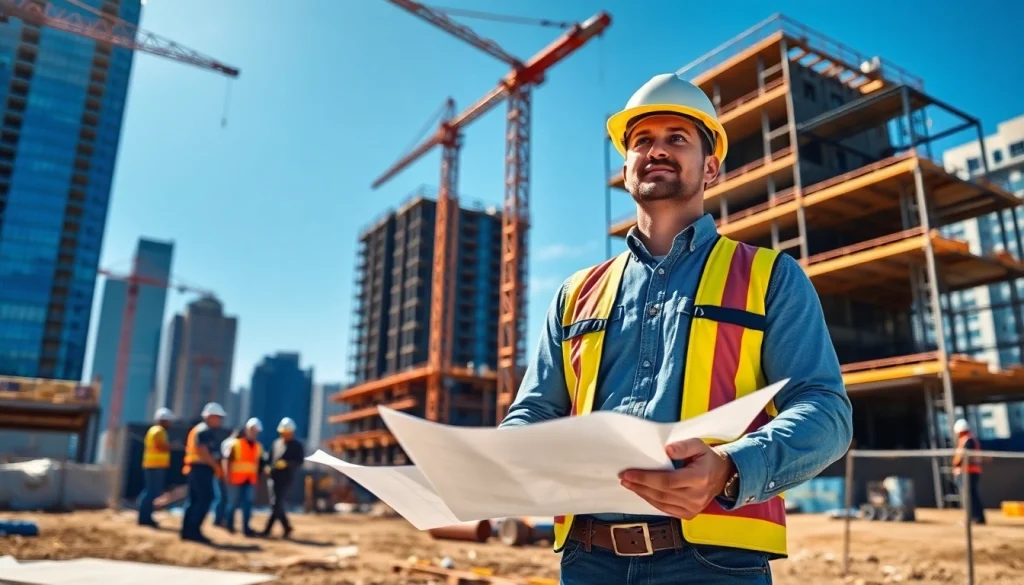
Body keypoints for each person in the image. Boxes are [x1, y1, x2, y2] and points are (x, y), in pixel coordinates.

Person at [499, 72, 853, 583]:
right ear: (626, 168)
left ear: (709, 168)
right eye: (642, 140)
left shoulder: (769, 277)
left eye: (677, 139)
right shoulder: (576, 294)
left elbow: (826, 409)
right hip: (586, 560)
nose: (656, 150)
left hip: (715, 563)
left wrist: (731, 467)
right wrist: (501, 460)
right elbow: (535, 410)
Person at [179, 402, 227, 544]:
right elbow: (203, 451)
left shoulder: (200, 430)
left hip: (195, 469)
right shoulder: (204, 431)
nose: (219, 420)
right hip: (201, 469)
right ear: (210, 417)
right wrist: (215, 466)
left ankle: (187, 531)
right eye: (217, 417)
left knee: (193, 500)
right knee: (205, 499)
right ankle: (194, 531)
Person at [261, 417, 305, 539]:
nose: (285, 435)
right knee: (276, 504)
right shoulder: (276, 443)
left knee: (276, 503)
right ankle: (284, 528)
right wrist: (267, 467)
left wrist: (287, 464)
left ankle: (271, 529)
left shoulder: (297, 445)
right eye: (284, 433)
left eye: (288, 433)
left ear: (292, 432)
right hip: (273, 477)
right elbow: (269, 459)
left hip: (286, 478)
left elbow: (300, 461)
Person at [223, 417, 264, 536]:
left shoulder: (258, 446)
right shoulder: (235, 444)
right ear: (247, 430)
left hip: (250, 480)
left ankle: (246, 528)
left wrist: (259, 479)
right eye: (252, 429)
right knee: (232, 503)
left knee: (248, 504)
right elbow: (227, 460)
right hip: (235, 479)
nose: (254, 432)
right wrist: (227, 476)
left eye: (255, 430)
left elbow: (259, 464)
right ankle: (229, 525)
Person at [138, 407, 175, 527]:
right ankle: (144, 517)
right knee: (151, 492)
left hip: (153, 465)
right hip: (154, 466)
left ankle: (145, 516)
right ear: (163, 420)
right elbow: (161, 446)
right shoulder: (158, 431)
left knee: (150, 491)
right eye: (169, 420)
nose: (170, 423)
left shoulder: (154, 430)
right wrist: (172, 446)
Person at [952, 418, 986, 524]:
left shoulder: (967, 440)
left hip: (968, 472)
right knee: (972, 495)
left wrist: (955, 463)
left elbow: (961, 456)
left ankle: (975, 517)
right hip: (970, 471)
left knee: (970, 496)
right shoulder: (969, 439)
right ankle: (977, 517)